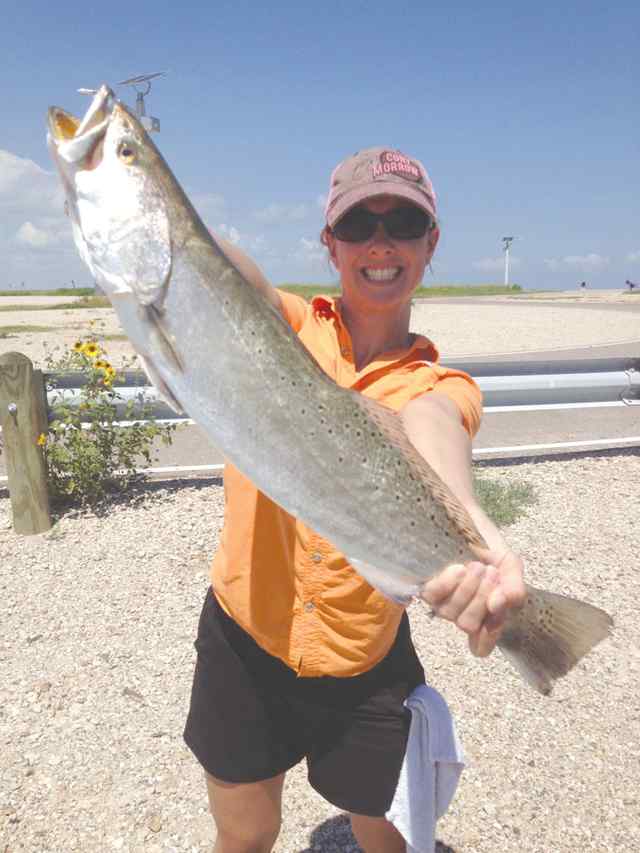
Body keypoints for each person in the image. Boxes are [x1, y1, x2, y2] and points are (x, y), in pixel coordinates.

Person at [184, 146, 526, 853]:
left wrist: (479, 531)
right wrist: (148, 201)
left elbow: (435, 430)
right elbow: (221, 274)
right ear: (329, 243)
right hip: (244, 636)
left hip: (365, 656)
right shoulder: (282, 329)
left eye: (402, 221)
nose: (380, 242)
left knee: (389, 833)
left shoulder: (441, 382)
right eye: (358, 224)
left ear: (430, 243)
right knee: (245, 830)